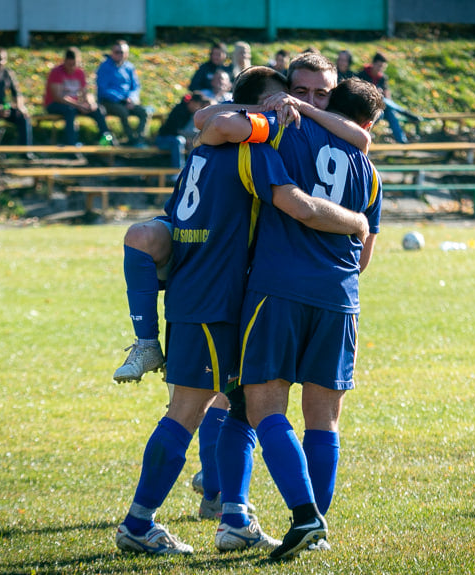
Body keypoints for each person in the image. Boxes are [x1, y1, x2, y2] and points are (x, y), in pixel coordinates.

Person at [114, 66, 370, 557]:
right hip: (214, 299)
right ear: (261, 107)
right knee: (186, 412)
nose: (293, 110)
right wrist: (356, 220)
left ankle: (234, 518)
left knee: (240, 410)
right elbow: (298, 204)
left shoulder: (213, 148)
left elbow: (207, 125)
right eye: (287, 99)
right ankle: (139, 523)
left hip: (224, 296)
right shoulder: (252, 148)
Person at [43, 47, 111, 146]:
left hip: (74, 105)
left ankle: (107, 141)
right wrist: (78, 105)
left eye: (74, 64)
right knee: (70, 110)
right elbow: (57, 97)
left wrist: (90, 103)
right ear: (65, 61)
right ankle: (71, 145)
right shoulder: (56, 72)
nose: (72, 68)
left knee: (99, 110)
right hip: (55, 104)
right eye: (69, 64)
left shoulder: (80, 72)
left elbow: (85, 93)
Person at [358, 52, 421, 144]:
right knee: (386, 106)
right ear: (373, 63)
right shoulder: (362, 75)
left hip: (382, 107)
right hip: (367, 107)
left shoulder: (383, 78)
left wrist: (382, 95)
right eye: (379, 66)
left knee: (390, 112)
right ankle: (408, 115)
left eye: (382, 67)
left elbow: (387, 95)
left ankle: (403, 142)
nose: (380, 69)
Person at [97, 40, 150, 147]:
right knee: (123, 111)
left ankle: (139, 139)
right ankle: (130, 140)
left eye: (123, 52)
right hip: (110, 102)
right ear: (112, 52)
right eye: (117, 52)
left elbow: (135, 87)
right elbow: (103, 89)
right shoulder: (105, 67)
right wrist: (122, 100)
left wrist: (131, 98)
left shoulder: (129, 67)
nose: (120, 55)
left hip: (128, 101)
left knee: (144, 112)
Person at [153, 92, 209, 171]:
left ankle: (194, 170)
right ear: (192, 102)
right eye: (198, 105)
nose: (198, 108)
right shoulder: (179, 110)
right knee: (179, 141)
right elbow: (176, 131)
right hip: (163, 139)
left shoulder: (190, 113)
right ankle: (178, 171)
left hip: (175, 140)